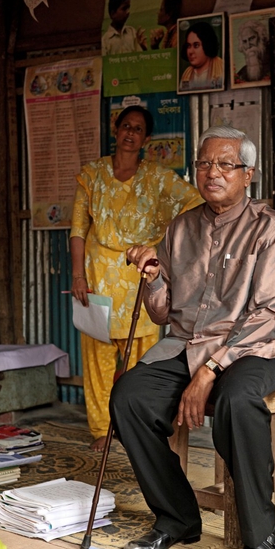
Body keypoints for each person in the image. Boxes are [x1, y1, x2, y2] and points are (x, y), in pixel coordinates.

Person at [109, 125, 275, 549]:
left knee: (237, 399)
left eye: (225, 164)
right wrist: (154, 276)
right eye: (204, 163)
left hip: (255, 348)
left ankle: (260, 536)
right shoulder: (180, 228)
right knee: (129, 398)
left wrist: (211, 369)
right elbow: (162, 313)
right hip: (186, 344)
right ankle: (178, 518)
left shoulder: (271, 229)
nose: (212, 172)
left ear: (247, 174)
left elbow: (271, 314)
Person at [70, 105, 202, 452]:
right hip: (97, 277)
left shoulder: (158, 177)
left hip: (142, 277)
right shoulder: (92, 173)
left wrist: (164, 248)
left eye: (138, 129)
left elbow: (195, 203)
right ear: (116, 129)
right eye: (126, 126)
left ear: (146, 138)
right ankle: (101, 428)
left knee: (141, 358)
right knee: (98, 359)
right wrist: (77, 274)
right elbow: (78, 229)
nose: (131, 133)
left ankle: (134, 425)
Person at [179, 21, 224, 92]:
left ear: (207, 45)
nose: (190, 51)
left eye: (196, 45)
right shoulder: (187, 74)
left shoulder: (222, 67)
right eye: (188, 46)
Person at [236, 19, 270, 83]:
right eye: (244, 41)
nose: (248, 45)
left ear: (261, 38)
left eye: (251, 38)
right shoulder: (240, 74)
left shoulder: (274, 67)